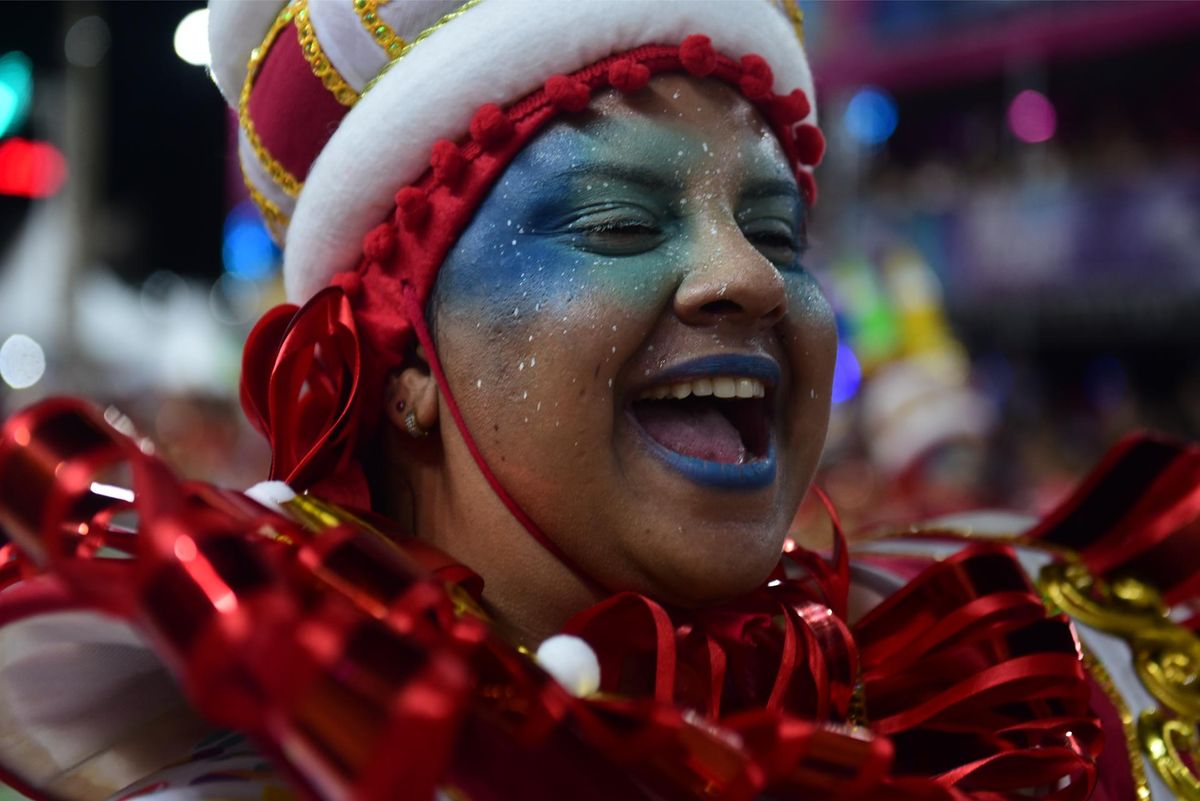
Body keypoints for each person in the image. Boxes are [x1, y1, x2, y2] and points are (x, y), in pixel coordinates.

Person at [0, 2, 1196, 800]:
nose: (747, 277)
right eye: (620, 221)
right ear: (402, 359)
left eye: (777, 229)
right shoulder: (210, 738)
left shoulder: (1034, 671)